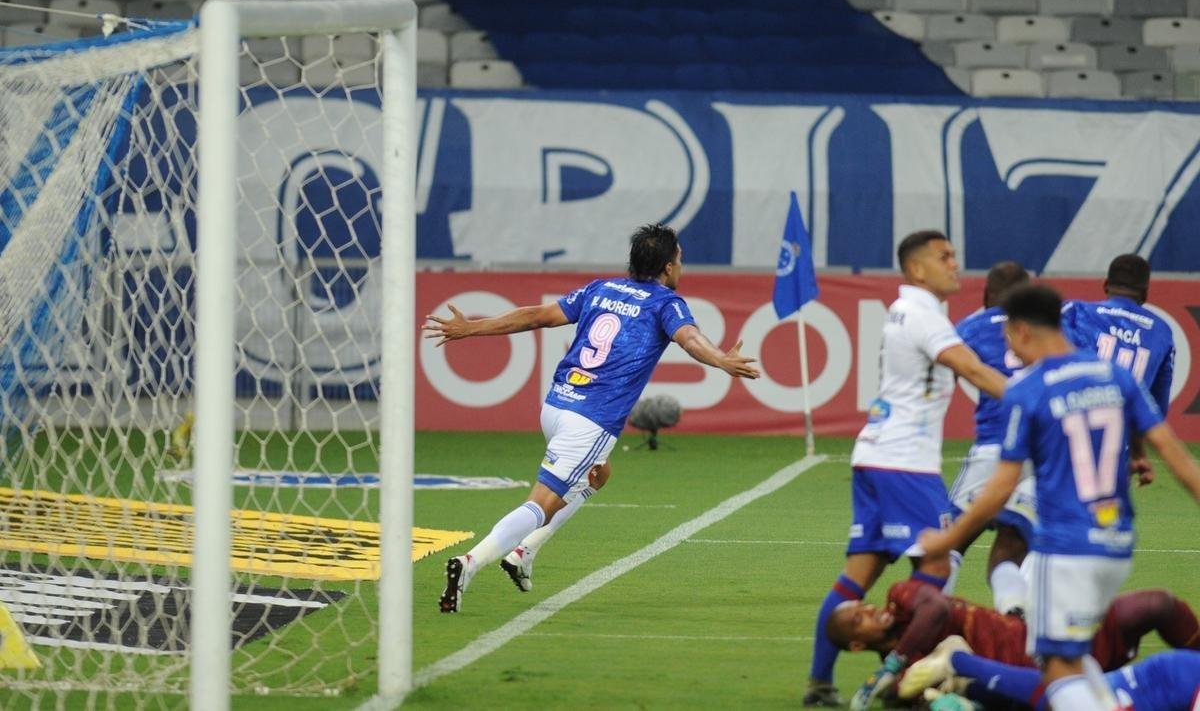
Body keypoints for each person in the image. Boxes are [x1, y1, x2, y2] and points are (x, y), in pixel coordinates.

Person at [423, 223, 761, 613]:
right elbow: (690, 339)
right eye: (680, 259)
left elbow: (537, 316)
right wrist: (721, 360)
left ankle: (524, 552)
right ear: (668, 267)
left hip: (556, 405)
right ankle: (470, 562)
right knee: (542, 502)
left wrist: (472, 328)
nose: (681, 266)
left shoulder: (601, 289)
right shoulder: (666, 303)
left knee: (597, 475)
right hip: (591, 419)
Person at [919, 285, 1200, 710]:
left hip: (1065, 549)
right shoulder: (1114, 376)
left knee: (1056, 670)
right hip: (1116, 546)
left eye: (1009, 340)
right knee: (1078, 656)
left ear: (1021, 331)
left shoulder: (1028, 390)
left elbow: (1000, 487)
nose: (1011, 351)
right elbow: (1173, 451)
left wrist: (949, 538)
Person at [805, 230, 1008, 709]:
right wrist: (1039, 400)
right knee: (938, 561)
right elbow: (972, 369)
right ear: (917, 269)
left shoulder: (906, 309)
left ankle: (820, 682)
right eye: (944, 257)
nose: (955, 263)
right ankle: (900, 670)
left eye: (954, 255)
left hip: (876, 454)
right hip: (903, 464)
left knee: (856, 577)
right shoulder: (922, 315)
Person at [824, 578, 1199, 674]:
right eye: (860, 619)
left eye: (865, 605)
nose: (871, 611)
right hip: (1041, 680)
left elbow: (935, 608)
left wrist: (899, 658)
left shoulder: (902, 597)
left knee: (1158, 605)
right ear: (857, 645)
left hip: (1049, 633)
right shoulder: (908, 675)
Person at [946, 261, 1034, 617]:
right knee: (1012, 547)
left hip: (995, 451)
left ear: (985, 294)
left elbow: (941, 381)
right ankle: (1014, 612)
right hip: (1044, 454)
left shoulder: (970, 328)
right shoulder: (1051, 330)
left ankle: (929, 620)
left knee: (949, 541)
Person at [1063, 254, 1176, 488]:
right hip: (1115, 450)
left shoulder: (1075, 312)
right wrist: (1137, 451)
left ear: (1105, 284)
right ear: (1145, 293)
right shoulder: (1162, 332)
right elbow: (1154, 408)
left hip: (1065, 435)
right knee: (1104, 508)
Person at [914, 649, 1200, 711]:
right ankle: (957, 661)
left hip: (1170, 681)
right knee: (1069, 697)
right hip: (1168, 684)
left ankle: (970, 694)